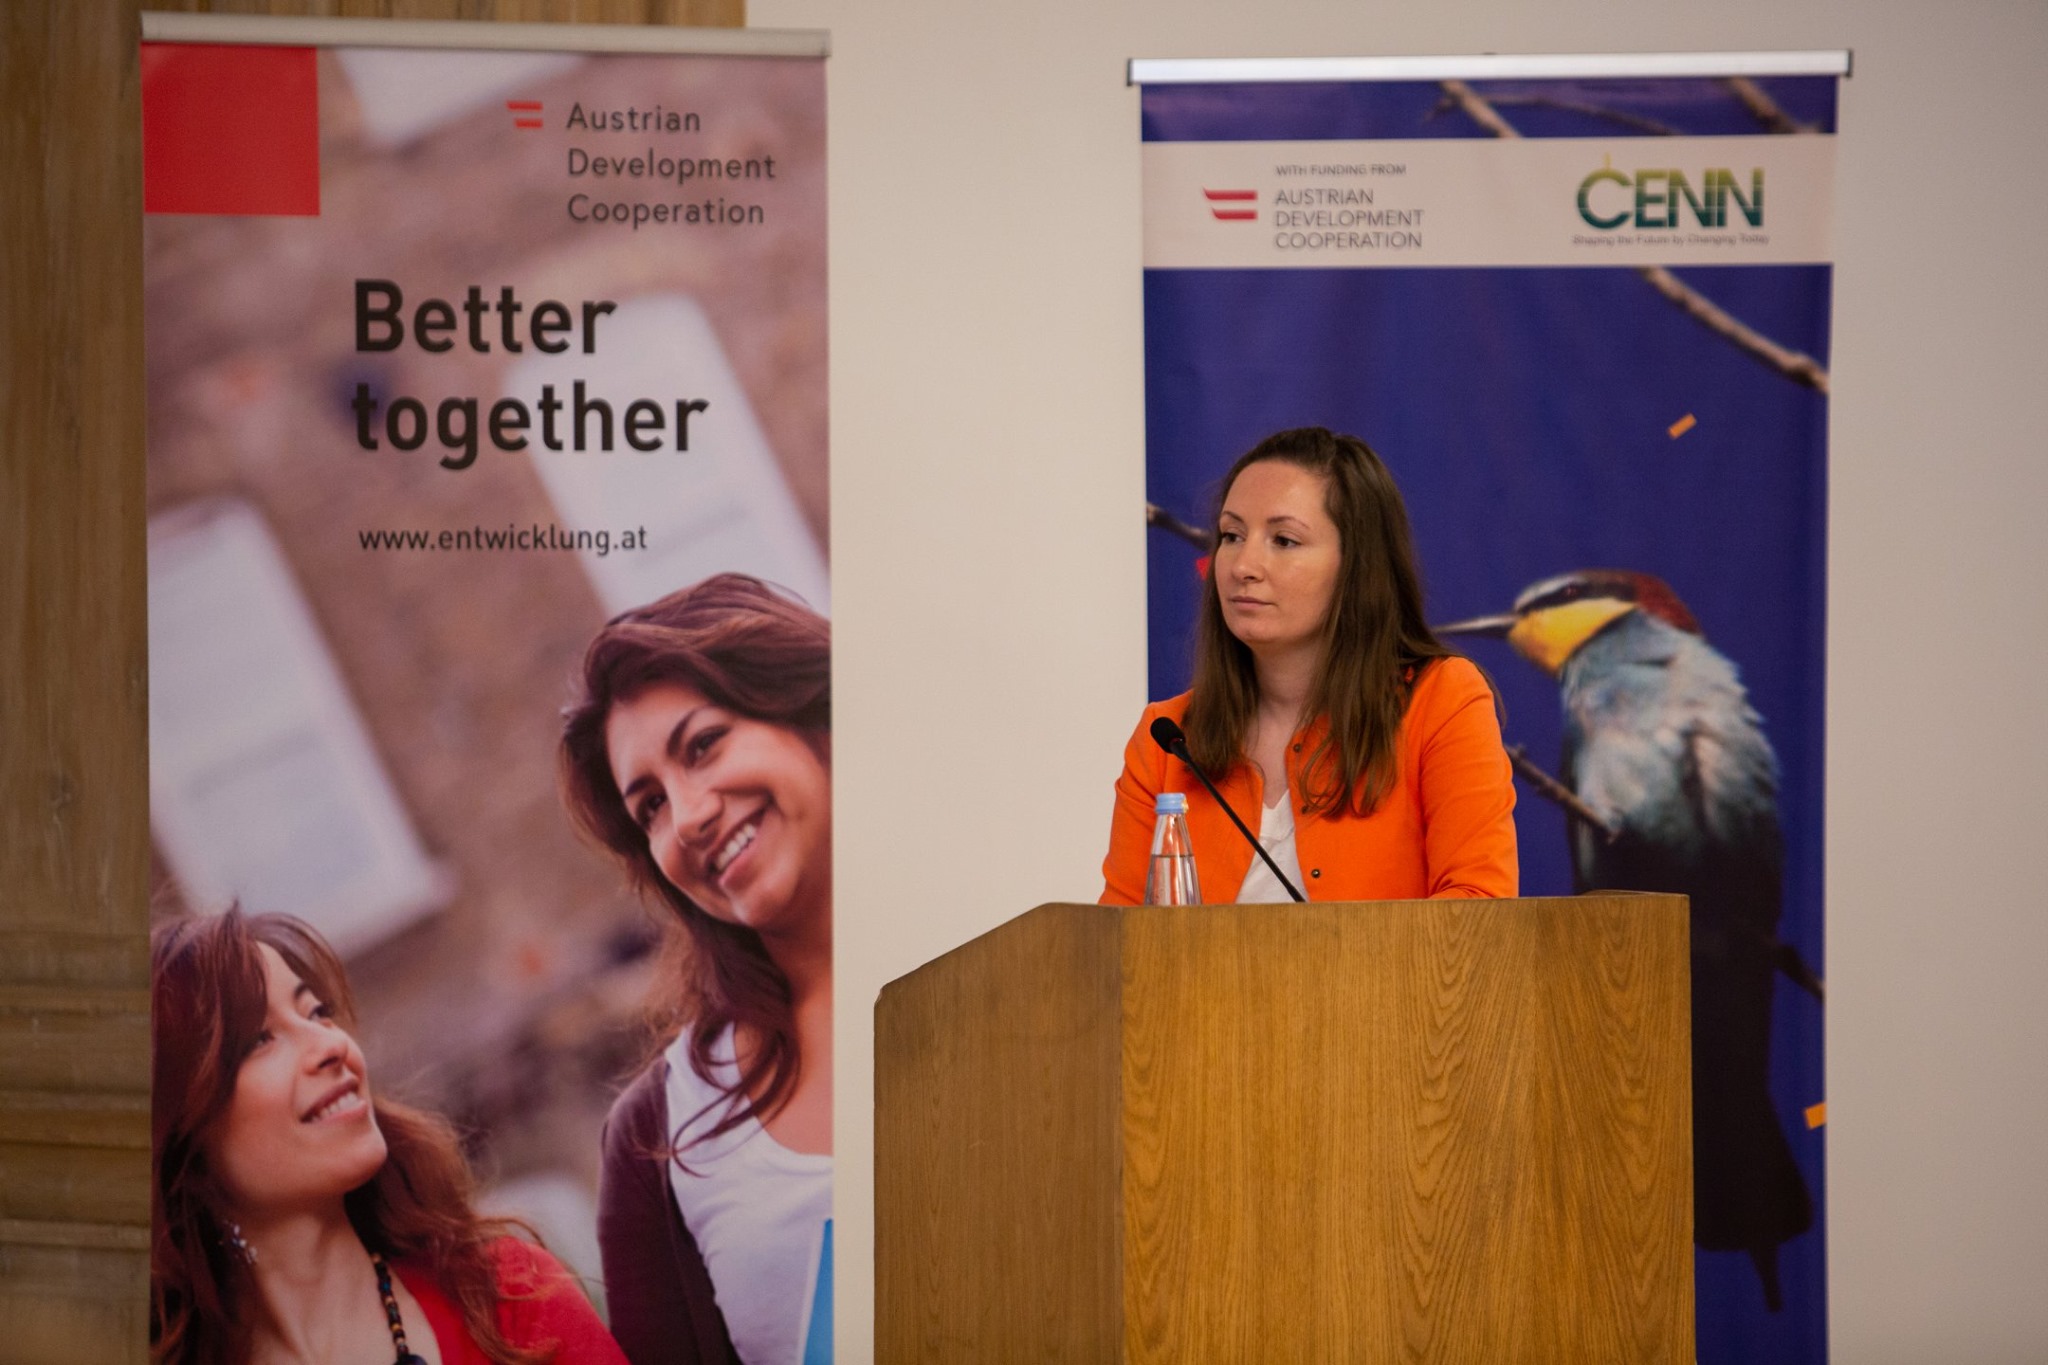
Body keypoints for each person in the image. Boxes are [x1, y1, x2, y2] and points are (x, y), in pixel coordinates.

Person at [150, 908, 628, 1365]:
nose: (332, 1044)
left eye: (317, 1013)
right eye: (259, 1040)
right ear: (182, 1142)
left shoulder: (509, 1298)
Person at [559, 573, 832, 1365]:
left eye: (704, 744)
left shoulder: (1036, 925)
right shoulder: (659, 1141)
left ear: (810, 709)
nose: (689, 816)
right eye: (650, 804)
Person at [1102, 426, 1517, 904]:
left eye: (1283, 540)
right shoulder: (1168, 739)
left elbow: (1478, 907)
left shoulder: (1441, 699)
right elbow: (1120, 937)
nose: (1242, 566)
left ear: (1357, 567)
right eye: (1231, 535)